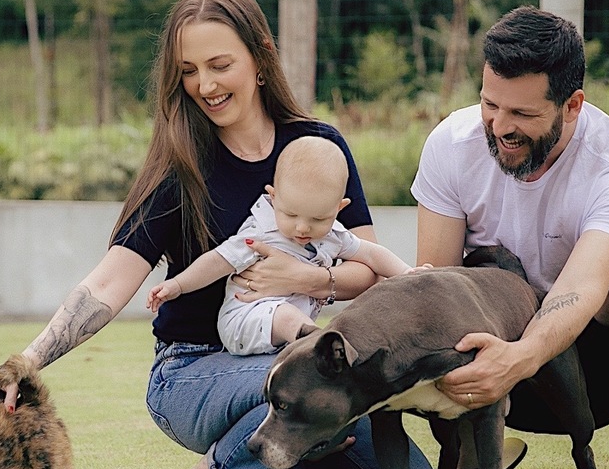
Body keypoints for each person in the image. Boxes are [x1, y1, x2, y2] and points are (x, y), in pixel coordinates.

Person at [0, 0, 439, 469]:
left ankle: (278, 465)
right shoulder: (180, 167)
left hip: (289, 358)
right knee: (307, 377)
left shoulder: (317, 148)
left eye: (219, 64)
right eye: (189, 71)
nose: (205, 85)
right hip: (191, 372)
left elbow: (367, 265)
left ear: (260, 59)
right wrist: (24, 364)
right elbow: (110, 283)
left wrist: (309, 279)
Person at [411, 5, 609, 469]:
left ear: (572, 105)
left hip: (592, 375)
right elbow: (438, 287)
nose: (500, 127)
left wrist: (520, 356)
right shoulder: (452, 144)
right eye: (490, 105)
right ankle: (470, 447)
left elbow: (583, 287)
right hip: (483, 365)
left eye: (523, 115)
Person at [146, 135, 413, 355]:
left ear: (338, 208)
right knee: (287, 316)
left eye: (318, 218)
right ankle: (316, 347)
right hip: (244, 319)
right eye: (291, 215)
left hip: (286, 331)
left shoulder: (333, 234)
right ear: (273, 198)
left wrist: (408, 275)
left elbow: (371, 253)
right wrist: (177, 286)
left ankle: (314, 345)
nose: (302, 228)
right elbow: (217, 261)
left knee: (315, 320)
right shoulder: (261, 231)